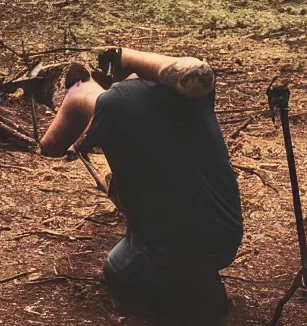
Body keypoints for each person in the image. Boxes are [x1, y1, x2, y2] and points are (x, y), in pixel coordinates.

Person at [39, 48, 243, 321]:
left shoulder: (91, 95)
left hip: (168, 256)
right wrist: (124, 57)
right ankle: (197, 278)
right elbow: (196, 72)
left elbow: (50, 147)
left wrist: (74, 106)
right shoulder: (186, 97)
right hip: (226, 240)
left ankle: (174, 296)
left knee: (116, 267)